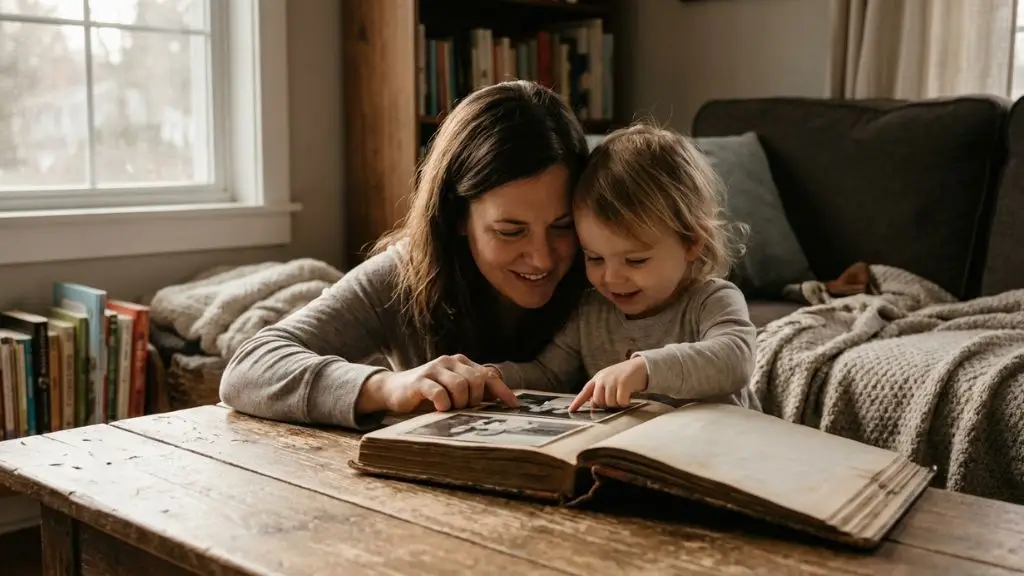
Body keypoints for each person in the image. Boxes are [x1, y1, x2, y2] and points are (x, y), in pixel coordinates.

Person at [218, 80, 592, 430]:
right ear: (456, 216)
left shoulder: (613, 269)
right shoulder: (407, 274)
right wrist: (387, 387)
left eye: (563, 226)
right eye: (510, 231)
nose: (542, 258)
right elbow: (249, 368)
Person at [488, 122, 760, 412]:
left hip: (720, 447)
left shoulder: (711, 300)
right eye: (594, 258)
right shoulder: (591, 311)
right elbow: (548, 374)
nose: (611, 278)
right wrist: (493, 376)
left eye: (635, 260)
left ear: (691, 242)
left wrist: (645, 369)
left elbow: (736, 358)